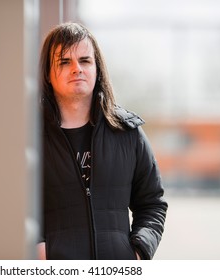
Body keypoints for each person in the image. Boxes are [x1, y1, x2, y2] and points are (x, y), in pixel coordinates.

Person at [38, 22, 168, 260]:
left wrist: (138, 252)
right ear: (47, 72)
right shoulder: (30, 140)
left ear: (97, 68)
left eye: (85, 60)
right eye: (64, 62)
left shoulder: (128, 133)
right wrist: (39, 252)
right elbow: (12, 206)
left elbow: (152, 204)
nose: (77, 68)